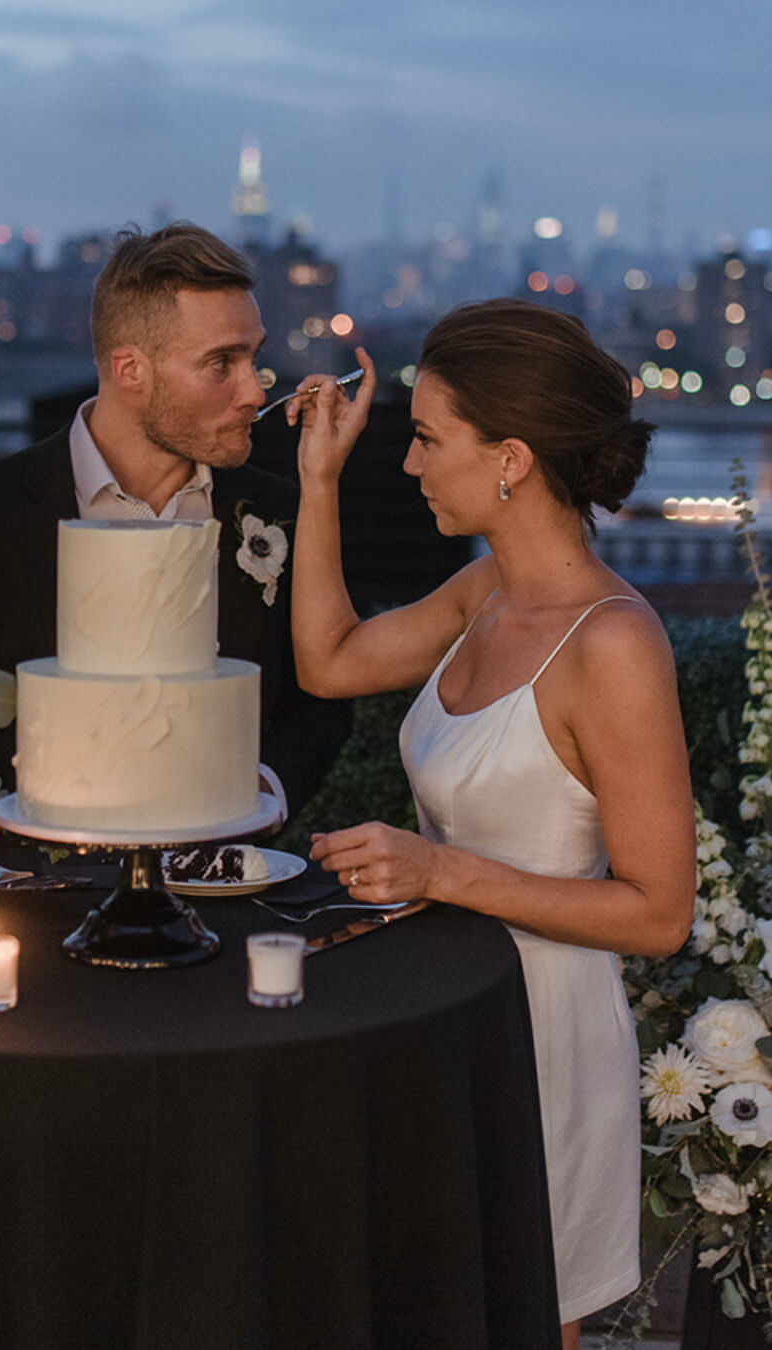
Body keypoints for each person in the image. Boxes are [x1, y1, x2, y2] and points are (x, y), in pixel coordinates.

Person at [286, 301, 695, 1350]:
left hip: (544, 1047)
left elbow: (657, 915)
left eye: (426, 438)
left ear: (510, 458)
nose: (411, 464)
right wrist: (318, 482)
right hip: (449, 1022)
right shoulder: (486, 593)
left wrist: (439, 870)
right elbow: (328, 661)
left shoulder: (614, 644)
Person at [0, 222, 351, 823]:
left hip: (221, 874)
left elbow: (323, 698)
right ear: (130, 369)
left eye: (253, 359)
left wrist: (262, 787)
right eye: (221, 364)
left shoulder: (282, 512)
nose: (254, 392)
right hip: (29, 882)